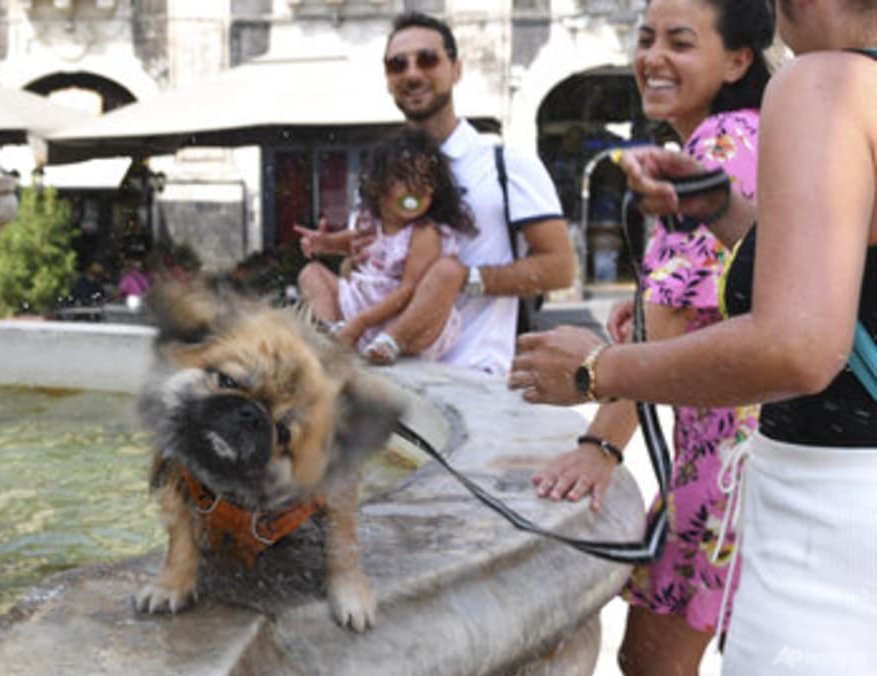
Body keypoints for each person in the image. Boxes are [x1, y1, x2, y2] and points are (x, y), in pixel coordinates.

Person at [509, 0, 877, 671]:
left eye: (679, 42)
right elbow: (846, 282)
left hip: (825, 509)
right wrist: (725, 210)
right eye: (646, 38)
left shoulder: (825, 81)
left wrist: (598, 373)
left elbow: (798, 344)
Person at [531, 0, 773, 673]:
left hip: (723, 470)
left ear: (738, 59)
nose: (652, 58)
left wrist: (600, 445)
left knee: (650, 663)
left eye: (680, 42)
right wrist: (642, 310)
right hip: (747, 459)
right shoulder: (754, 135)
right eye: (645, 38)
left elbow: (668, 317)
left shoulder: (719, 145)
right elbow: (726, 290)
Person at [297, 11, 575, 375]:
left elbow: (560, 268)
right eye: (397, 65)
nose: (412, 73)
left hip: (473, 380)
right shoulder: (379, 175)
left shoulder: (506, 164)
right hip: (378, 382)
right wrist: (352, 258)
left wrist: (463, 278)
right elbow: (360, 272)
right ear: (388, 79)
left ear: (456, 69)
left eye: (427, 59)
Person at [299, 128, 477, 363]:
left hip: (406, 322)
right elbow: (353, 242)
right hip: (359, 311)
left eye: (425, 180)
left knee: (448, 272)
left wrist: (362, 322)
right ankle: (332, 332)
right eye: (403, 177)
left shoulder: (424, 233)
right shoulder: (369, 221)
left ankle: (391, 339)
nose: (415, 188)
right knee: (311, 273)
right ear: (377, 185)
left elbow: (408, 290)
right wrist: (325, 243)